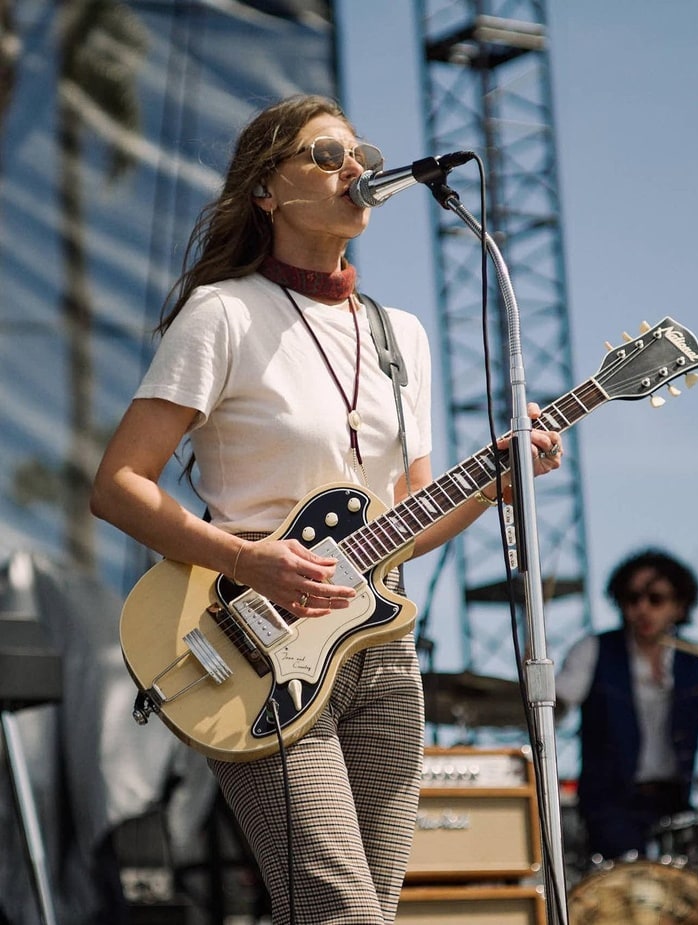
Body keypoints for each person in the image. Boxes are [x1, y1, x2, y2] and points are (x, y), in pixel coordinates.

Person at [90, 93, 563, 925]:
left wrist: (497, 481)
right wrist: (243, 559)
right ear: (266, 191)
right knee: (340, 912)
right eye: (327, 154)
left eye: (362, 156)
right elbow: (119, 483)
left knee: (365, 909)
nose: (357, 170)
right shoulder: (223, 313)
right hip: (249, 643)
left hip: (380, 651)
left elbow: (407, 522)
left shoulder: (399, 334)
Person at [556, 547, 698, 864]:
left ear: (679, 606)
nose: (643, 609)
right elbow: (560, 699)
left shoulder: (697, 659)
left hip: (674, 803)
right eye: (632, 598)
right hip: (609, 805)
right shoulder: (594, 650)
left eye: (655, 599)